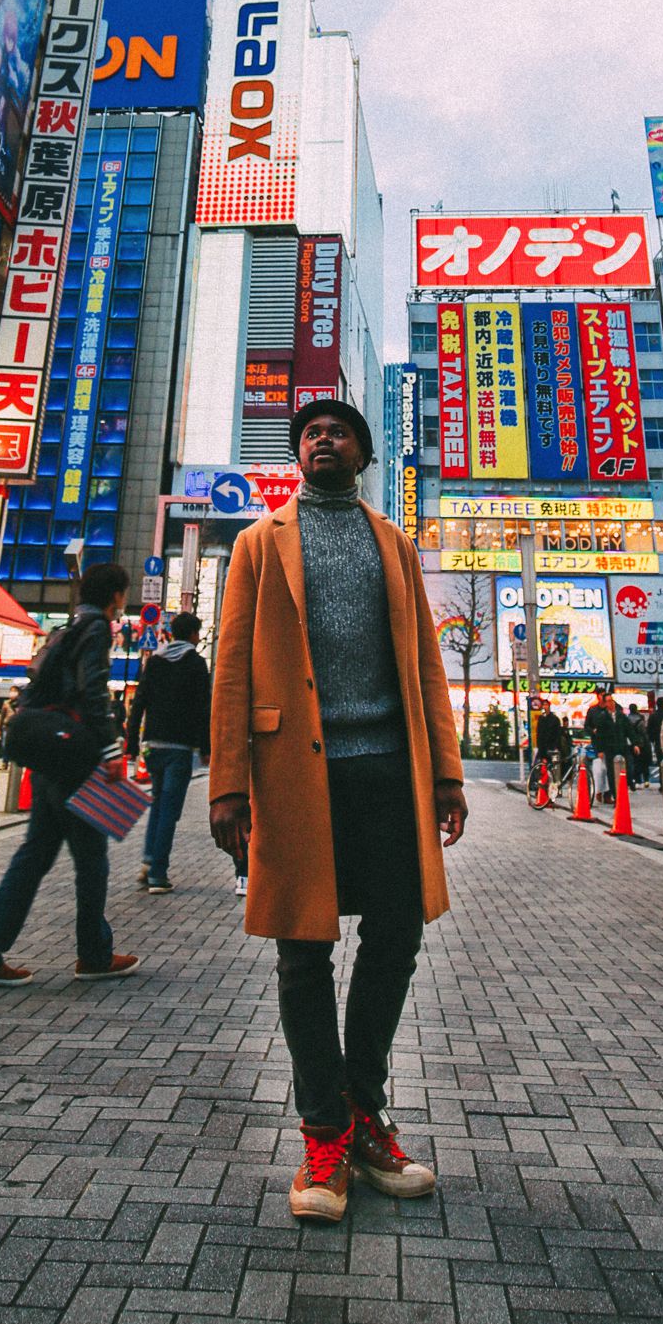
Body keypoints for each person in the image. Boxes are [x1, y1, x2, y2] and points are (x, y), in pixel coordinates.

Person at [209, 397, 466, 1224]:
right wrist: (227, 784)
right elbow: (234, 668)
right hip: (293, 774)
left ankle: (364, 1112)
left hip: (390, 771)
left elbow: (427, 663)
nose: (325, 439)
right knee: (302, 950)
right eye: (311, 433)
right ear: (299, 454)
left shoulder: (392, 541)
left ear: (363, 452)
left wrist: (449, 774)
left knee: (397, 934)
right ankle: (324, 1131)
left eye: (339, 431)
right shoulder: (256, 543)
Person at [0, 564, 139, 987]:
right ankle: (94, 954)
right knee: (91, 859)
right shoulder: (96, 629)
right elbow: (93, 691)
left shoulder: (69, 625)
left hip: (49, 758)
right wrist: (113, 749)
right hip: (73, 759)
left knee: (34, 856)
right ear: (115, 595)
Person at [128, 610, 211, 892]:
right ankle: (158, 875)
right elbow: (203, 709)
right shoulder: (196, 664)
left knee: (158, 803)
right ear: (192, 634)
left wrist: (130, 742)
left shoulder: (155, 662)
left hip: (152, 746)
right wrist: (206, 747)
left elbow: (140, 701)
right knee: (169, 811)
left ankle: (148, 861)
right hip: (179, 747)